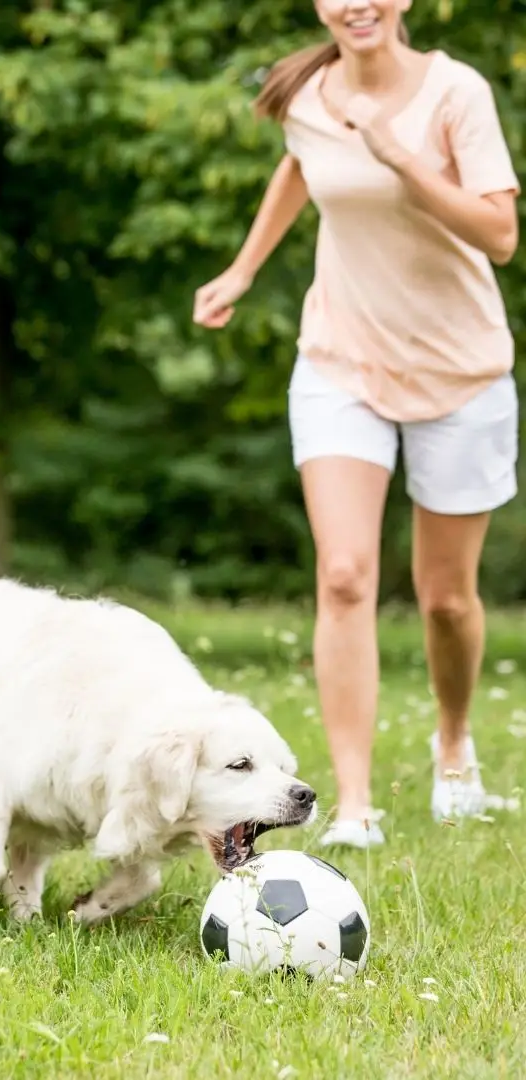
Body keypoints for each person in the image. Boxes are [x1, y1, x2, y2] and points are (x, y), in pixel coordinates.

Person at [193, 0, 519, 848]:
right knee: (343, 574)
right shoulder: (308, 93)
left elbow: (501, 233)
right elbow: (300, 167)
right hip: (341, 360)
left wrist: (402, 157)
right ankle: (354, 806)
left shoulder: (456, 93)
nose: (356, 2)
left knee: (446, 599)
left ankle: (454, 749)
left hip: (461, 371)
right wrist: (242, 270)